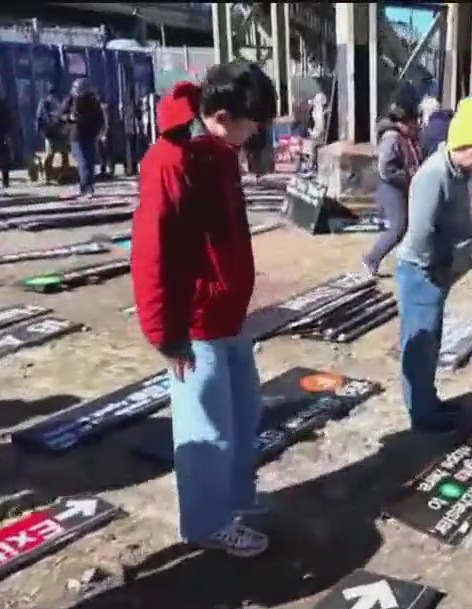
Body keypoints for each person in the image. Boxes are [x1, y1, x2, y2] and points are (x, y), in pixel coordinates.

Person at [130, 60, 277, 557]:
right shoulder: (172, 160)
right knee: (206, 431)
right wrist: (165, 334)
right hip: (194, 325)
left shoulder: (219, 150)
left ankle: (235, 499)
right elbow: (153, 253)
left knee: (243, 414)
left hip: (229, 316)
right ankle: (207, 522)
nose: (256, 132)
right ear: (220, 115)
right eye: (251, 123)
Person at [396, 96, 472, 433]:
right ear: (464, 142)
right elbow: (421, 229)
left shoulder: (456, 173)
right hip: (422, 272)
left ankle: (426, 399)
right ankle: (421, 413)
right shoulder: (434, 175)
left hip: (436, 272)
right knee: (421, 343)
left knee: (431, 341)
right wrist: (436, 271)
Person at [361, 102, 422, 277]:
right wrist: (406, 176)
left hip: (400, 186)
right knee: (398, 227)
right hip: (391, 187)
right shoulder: (392, 138)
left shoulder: (404, 137)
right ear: (403, 122)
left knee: (409, 225)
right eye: (412, 122)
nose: (415, 125)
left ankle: (411, 259)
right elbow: (385, 168)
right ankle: (371, 259)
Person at [60, 79, 106, 198]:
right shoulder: (70, 100)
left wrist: (98, 130)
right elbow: (60, 115)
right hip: (76, 136)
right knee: (84, 162)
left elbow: (100, 118)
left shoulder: (92, 101)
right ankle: (86, 187)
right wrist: (69, 117)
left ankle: (87, 186)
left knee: (89, 163)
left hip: (90, 135)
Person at [36, 84, 69, 184]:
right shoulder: (56, 102)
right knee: (62, 154)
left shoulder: (45, 101)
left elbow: (39, 117)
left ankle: (49, 176)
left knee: (51, 154)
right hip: (58, 131)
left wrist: (39, 130)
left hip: (53, 132)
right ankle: (61, 175)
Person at [0, 94, 12, 193]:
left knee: (4, 160)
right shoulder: (3, 104)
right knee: (4, 160)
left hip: (2, 135)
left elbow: (8, 120)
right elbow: (8, 120)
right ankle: (5, 182)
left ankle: (5, 182)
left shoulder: (2, 104)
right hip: (2, 135)